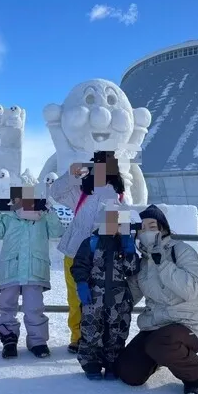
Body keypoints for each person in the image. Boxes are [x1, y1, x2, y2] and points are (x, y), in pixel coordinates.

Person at [115, 204, 198, 394]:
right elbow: (130, 297)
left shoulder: (181, 251)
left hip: (190, 324)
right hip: (157, 325)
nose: (147, 231)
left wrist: (162, 263)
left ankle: (195, 376)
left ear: (163, 229)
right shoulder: (142, 262)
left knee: (160, 344)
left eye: (152, 226)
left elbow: (190, 289)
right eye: (142, 228)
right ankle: (159, 358)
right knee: (129, 373)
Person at [49, 150, 127, 353]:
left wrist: (126, 249)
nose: (99, 169)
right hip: (74, 252)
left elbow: (123, 224)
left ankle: (97, 336)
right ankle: (78, 336)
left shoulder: (117, 195)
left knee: (98, 298)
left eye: (104, 165)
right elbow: (55, 192)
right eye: (95, 164)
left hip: (102, 256)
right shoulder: (82, 190)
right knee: (75, 298)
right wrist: (72, 174)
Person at [0, 187, 65, 359]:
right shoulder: (8, 216)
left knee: (34, 307)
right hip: (11, 268)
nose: (26, 203)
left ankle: (38, 341)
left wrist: (50, 211)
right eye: (22, 199)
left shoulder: (43, 218)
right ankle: (9, 339)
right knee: (7, 305)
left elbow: (57, 232)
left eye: (31, 198)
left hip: (34, 270)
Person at [70, 203, 141, 380]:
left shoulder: (125, 245)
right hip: (94, 296)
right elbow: (79, 265)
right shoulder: (91, 242)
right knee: (91, 330)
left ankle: (112, 363)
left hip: (118, 298)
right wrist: (82, 283)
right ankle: (91, 364)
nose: (113, 226)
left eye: (118, 222)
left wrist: (129, 249)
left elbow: (131, 270)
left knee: (116, 330)